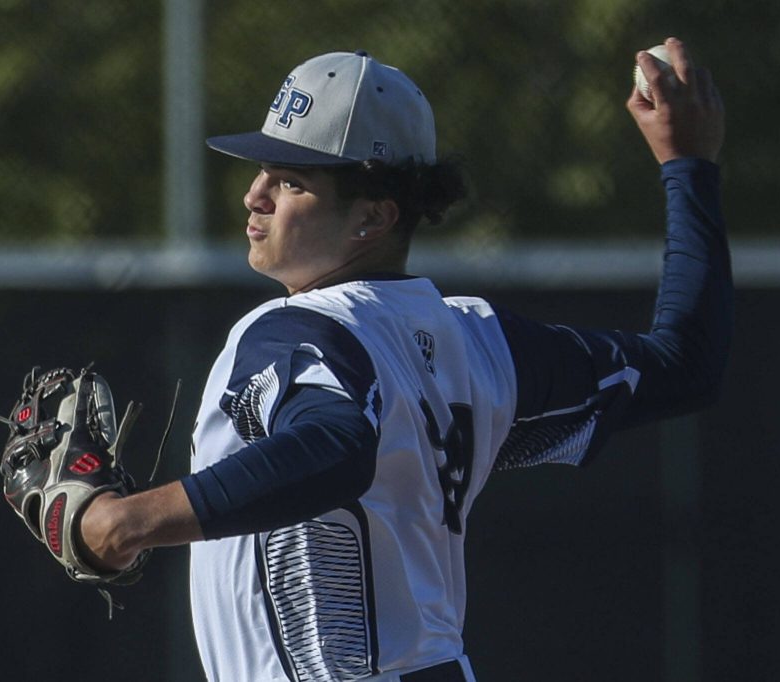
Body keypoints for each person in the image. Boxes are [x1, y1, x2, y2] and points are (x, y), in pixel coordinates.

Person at [78, 38, 730, 681]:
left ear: (372, 217)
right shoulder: (479, 341)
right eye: (264, 172)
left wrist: (121, 523)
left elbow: (337, 445)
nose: (255, 196)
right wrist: (689, 167)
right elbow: (684, 366)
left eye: (290, 181)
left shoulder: (291, 329)